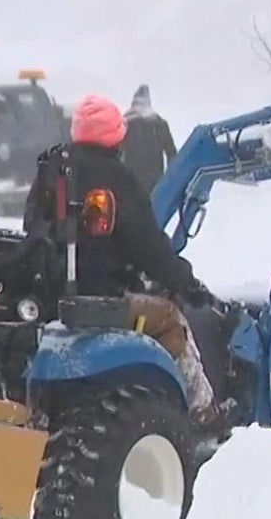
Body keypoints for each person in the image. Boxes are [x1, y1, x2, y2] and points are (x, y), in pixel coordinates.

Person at [22, 93, 222, 427]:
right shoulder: (118, 179)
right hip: (99, 297)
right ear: (118, 138)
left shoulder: (52, 170)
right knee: (169, 318)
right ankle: (203, 413)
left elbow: (32, 226)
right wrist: (185, 283)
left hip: (48, 293)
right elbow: (149, 248)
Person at [120, 85, 177, 194]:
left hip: (132, 176)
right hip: (153, 176)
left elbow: (116, 151)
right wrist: (172, 177)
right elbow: (171, 152)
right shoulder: (158, 123)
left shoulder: (124, 123)